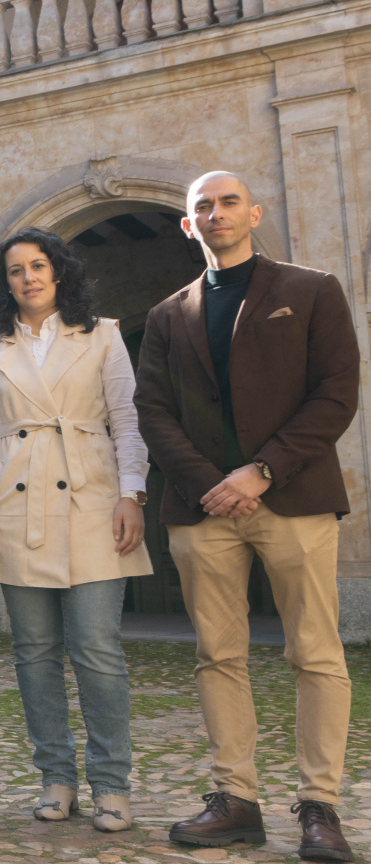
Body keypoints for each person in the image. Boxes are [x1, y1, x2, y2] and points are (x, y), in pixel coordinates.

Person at [135, 172, 359, 863]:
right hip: (202, 509)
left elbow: (337, 392)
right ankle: (235, 799)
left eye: (229, 201)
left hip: (292, 496)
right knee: (218, 656)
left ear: (254, 214)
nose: (217, 213)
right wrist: (211, 484)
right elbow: (153, 411)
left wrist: (261, 471)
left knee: (315, 653)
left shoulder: (312, 289)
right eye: (202, 206)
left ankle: (320, 807)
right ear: (187, 225)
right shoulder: (166, 315)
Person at [0, 226, 149, 834]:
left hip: (93, 500)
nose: (28, 278)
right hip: (14, 505)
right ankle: (56, 778)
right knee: (34, 652)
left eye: (38, 266)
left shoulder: (104, 335)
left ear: (58, 271)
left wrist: (132, 494)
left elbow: (127, 420)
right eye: (15, 270)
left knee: (96, 649)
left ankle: (112, 784)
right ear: (5, 283)